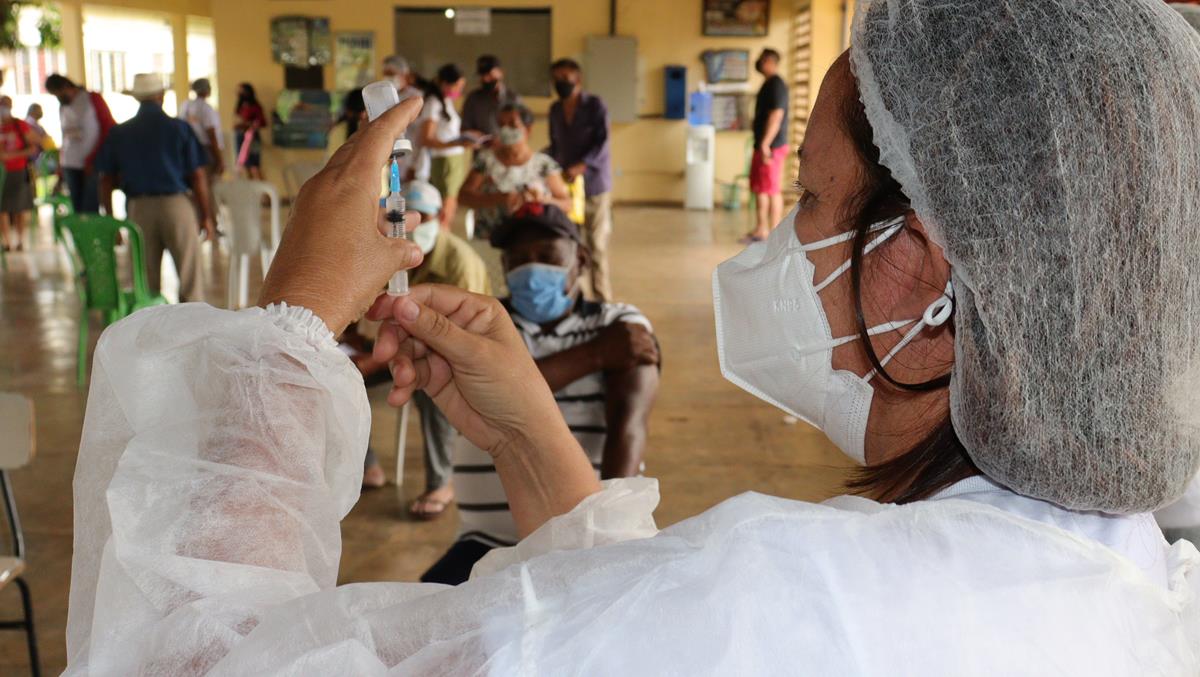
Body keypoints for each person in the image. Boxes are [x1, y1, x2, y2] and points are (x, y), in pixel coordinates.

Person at [66, 2, 1200, 672]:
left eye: (809, 199)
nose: (784, 244)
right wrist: (529, 432)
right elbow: (633, 630)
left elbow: (192, 657)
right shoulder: (1142, 589)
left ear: (927, 272)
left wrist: (290, 322)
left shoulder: (792, 599)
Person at [421, 203, 659, 585]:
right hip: (487, 544)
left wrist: (608, 536)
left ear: (579, 259)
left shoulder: (618, 321)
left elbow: (629, 428)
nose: (531, 270)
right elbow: (483, 394)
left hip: (587, 535)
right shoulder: (480, 324)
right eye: (517, 260)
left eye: (547, 256)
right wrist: (595, 354)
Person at [351, 180, 492, 514]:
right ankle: (366, 466)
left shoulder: (460, 262)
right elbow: (362, 311)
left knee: (431, 384)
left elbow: (457, 340)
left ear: (441, 217)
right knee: (342, 379)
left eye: (422, 219)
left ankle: (440, 483)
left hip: (451, 355)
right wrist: (352, 344)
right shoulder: (387, 256)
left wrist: (372, 360)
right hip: (395, 351)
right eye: (399, 218)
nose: (409, 228)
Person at [95, 73, 211, 303]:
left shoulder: (120, 133)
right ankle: (191, 331)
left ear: (138, 98)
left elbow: (105, 179)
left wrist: (112, 220)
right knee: (190, 278)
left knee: (144, 282)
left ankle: (150, 334)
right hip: (177, 205)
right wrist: (206, 215)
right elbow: (197, 176)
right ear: (161, 96)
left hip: (139, 208)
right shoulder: (179, 128)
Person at [547, 58, 614, 301]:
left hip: (594, 185)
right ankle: (577, 298)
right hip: (566, 189)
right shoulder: (555, 110)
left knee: (596, 246)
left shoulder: (595, 105)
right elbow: (555, 146)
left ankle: (603, 300)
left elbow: (603, 142)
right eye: (556, 79)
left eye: (566, 78)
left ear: (578, 79)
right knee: (570, 244)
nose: (561, 83)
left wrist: (582, 165)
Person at [458, 103, 572, 240]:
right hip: (490, 238)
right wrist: (499, 198)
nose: (505, 129)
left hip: (531, 240)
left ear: (528, 129)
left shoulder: (544, 164)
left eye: (512, 124)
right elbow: (463, 196)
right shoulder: (486, 160)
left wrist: (542, 200)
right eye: (501, 124)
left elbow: (567, 204)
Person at [419, 63, 481, 228]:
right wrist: (456, 142)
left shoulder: (445, 101)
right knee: (446, 207)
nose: (459, 91)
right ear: (444, 83)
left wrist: (467, 137)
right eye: (457, 86)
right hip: (444, 161)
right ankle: (441, 239)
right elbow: (426, 138)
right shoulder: (433, 103)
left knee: (451, 203)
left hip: (454, 159)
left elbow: (447, 132)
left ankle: (444, 235)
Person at [45, 73, 115, 214]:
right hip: (70, 164)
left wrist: (94, 158)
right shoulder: (63, 106)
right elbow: (65, 137)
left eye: (58, 93)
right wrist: (60, 168)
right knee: (78, 209)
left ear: (66, 86)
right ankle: (80, 236)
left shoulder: (92, 99)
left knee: (90, 207)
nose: (58, 98)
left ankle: (93, 235)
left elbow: (108, 128)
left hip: (91, 163)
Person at [742, 48, 789, 243]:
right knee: (760, 188)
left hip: (772, 147)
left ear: (770, 61)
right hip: (763, 145)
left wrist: (765, 144)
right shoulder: (768, 84)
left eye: (762, 59)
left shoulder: (777, 85)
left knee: (770, 189)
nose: (759, 62)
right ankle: (761, 229)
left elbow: (776, 116)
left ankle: (772, 231)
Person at [179, 78, 224, 240]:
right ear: (206, 90)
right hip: (204, 151)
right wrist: (219, 158)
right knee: (206, 189)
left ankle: (198, 223)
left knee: (194, 190)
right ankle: (211, 224)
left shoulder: (185, 105)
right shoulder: (206, 109)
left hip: (186, 152)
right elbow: (211, 135)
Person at [0, 96, 42, 251]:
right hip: (2, 173)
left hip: (18, 170)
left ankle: (20, 240)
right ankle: (6, 242)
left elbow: (35, 144)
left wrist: (11, 156)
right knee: (2, 208)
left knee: (19, 208)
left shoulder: (19, 125)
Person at [382, 54, 428, 181]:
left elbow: (420, 132)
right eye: (385, 73)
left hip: (412, 157)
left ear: (404, 74)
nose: (388, 77)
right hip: (390, 157)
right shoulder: (385, 97)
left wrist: (413, 165)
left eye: (391, 73)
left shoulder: (416, 97)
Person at [461, 54, 520, 139]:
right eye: (482, 75)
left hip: (507, 149)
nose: (485, 79)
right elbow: (464, 127)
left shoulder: (513, 98)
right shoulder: (473, 99)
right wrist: (472, 134)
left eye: (489, 74)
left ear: (500, 73)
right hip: (482, 148)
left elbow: (523, 127)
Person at [233, 82, 267, 181]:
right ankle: (253, 192)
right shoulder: (241, 106)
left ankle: (266, 194)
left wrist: (248, 124)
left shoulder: (256, 106)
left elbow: (262, 122)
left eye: (241, 90)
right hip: (241, 137)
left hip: (252, 138)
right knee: (246, 166)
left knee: (255, 166)